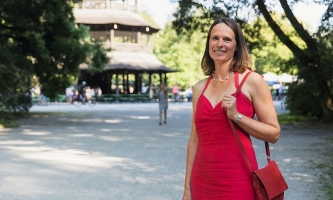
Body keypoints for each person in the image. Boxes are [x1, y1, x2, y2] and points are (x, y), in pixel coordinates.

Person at [182, 17, 281, 200]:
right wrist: (187, 190)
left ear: (237, 46)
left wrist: (237, 116)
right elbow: (194, 141)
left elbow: (274, 133)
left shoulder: (251, 81)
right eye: (215, 38)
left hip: (238, 180)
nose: (220, 44)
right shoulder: (199, 88)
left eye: (227, 39)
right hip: (201, 181)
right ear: (208, 43)